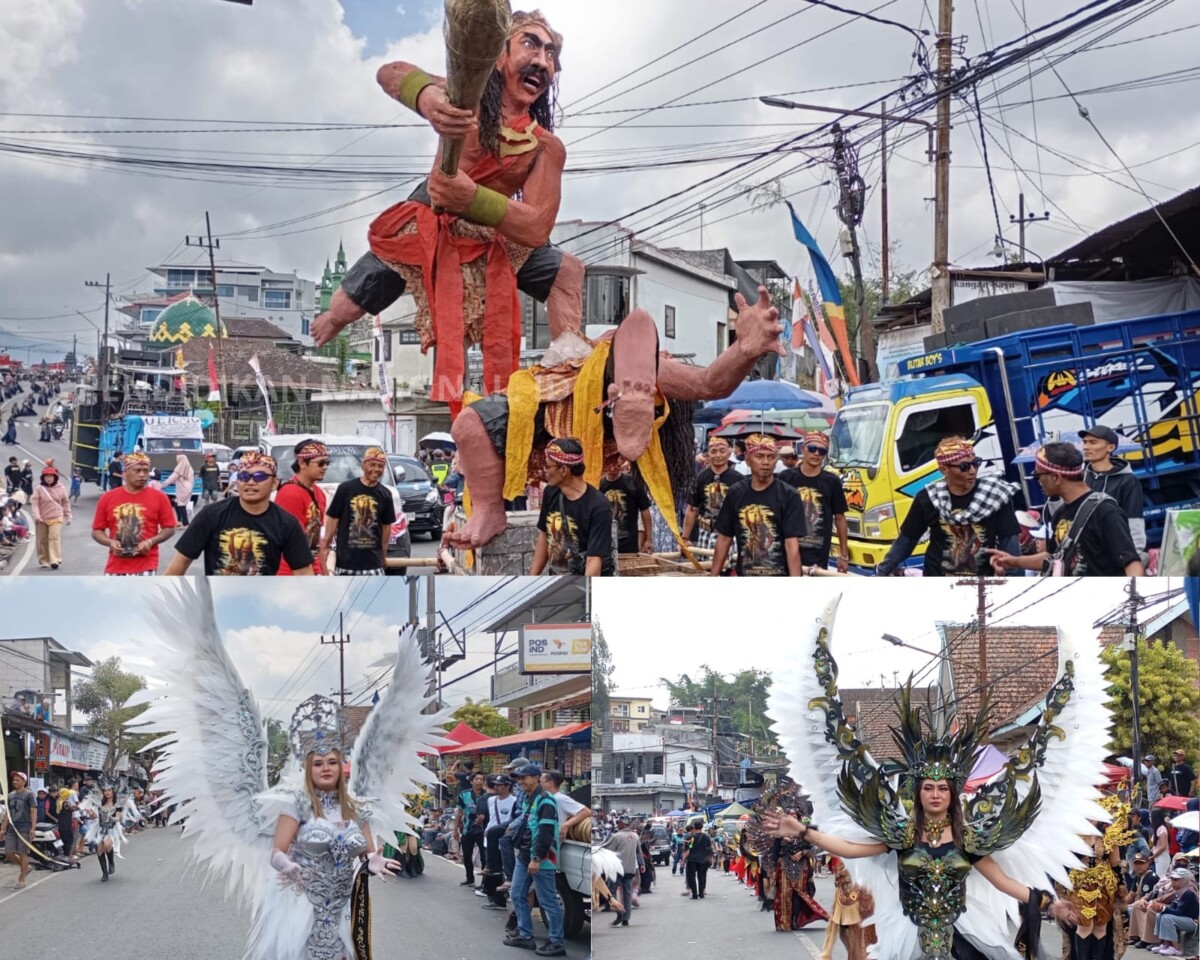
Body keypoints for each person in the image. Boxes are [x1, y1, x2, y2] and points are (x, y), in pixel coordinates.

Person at [764, 607, 1097, 960]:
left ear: (952, 794)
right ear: (919, 792)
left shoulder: (970, 838)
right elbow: (848, 848)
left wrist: (1053, 904)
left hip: (966, 939)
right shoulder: (901, 834)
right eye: (928, 787)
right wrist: (802, 831)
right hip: (909, 942)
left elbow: (1006, 883)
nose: (935, 794)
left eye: (942, 789)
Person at [313, 11, 580, 414]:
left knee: (568, 272)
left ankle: (569, 368)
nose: (542, 60)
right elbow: (390, 71)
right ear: (501, 56)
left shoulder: (546, 147)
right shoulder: (461, 99)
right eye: (530, 44)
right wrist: (429, 99)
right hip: (432, 217)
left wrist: (471, 198)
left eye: (551, 53)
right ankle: (333, 316)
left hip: (497, 233)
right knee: (343, 309)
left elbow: (538, 225)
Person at [988, 443, 1144, 577]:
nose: (1038, 482)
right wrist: (1014, 561)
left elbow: (1131, 562)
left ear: (1056, 477)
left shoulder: (1105, 511)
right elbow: (1053, 557)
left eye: (1038, 475)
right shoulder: (1059, 513)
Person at [877, 437, 1020, 576]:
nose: (972, 471)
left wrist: (1016, 581)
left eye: (975, 463)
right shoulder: (929, 497)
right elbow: (907, 540)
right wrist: (883, 571)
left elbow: (1009, 543)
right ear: (944, 469)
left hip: (980, 582)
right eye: (964, 467)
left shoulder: (995, 495)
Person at [166, 452, 313, 576]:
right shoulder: (211, 515)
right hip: (216, 604)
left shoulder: (286, 523)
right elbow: (180, 563)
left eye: (259, 476)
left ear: (274, 483)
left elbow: (304, 573)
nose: (250, 482)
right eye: (243, 476)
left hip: (264, 605)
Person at [711, 434, 804, 577]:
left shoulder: (789, 495)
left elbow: (791, 544)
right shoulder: (736, 492)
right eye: (759, 456)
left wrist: (795, 585)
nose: (765, 462)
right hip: (745, 577)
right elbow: (724, 538)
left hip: (778, 579)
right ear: (748, 460)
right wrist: (713, 577)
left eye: (771, 457)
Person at [530, 437, 615, 576]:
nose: (545, 471)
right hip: (556, 582)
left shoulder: (599, 506)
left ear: (564, 469)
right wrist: (531, 580)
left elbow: (593, 561)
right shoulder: (550, 492)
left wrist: (584, 596)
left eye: (548, 466)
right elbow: (544, 536)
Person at [507, 762, 566, 956]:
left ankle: (557, 942)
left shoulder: (545, 800)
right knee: (516, 894)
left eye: (524, 777)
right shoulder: (528, 799)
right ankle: (525, 936)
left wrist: (537, 858)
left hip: (541, 859)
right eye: (519, 778)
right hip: (524, 856)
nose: (521, 781)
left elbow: (546, 832)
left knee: (548, 900)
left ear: (535, 778)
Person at [91, 451, 177, 575]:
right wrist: (110, 542)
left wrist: (150, 542)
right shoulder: (107, 498)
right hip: (115, 566)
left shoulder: (160, 498)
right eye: (137, 471)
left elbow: (169, 528)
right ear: (125, 473)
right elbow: (97, 531)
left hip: (146, 565)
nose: (142, 475)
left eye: (146, 471)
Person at [778, 430, 850, 572]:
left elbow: (840, 518)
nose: (816, 453)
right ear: (802, 449)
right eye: (812, 449)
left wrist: (844, 555)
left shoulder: (832, 481)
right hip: (786, 549)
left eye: (822, 451)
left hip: (817, 552)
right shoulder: (785, 477)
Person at [320, 447, 395, 576]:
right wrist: (326, 545)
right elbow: (333, 519)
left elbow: (386, 526)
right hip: (345, 562)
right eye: (372, 465)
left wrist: (383, 554)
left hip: (373, 562)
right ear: (362, 466)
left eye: (380, 466)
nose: (376, 469)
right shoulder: (345, 489)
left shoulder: (386, 494)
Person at [1079, 425, 1146, 559]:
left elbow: (1134, 521)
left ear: (1110, 447)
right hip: (1087, 556)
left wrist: (1134, 558)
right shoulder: (1081, 478)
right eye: (1085, 442)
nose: (1086, 447)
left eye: (1093, 442)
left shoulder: (1128, 481)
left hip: (1114, 556)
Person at [275, 440, 330, 576]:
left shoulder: (319, 494)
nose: (325, 467)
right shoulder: (290, 494)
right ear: (302, 463)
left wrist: (324, 572)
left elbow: (317, 541)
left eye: (327, 463)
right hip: (290, 572)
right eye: (320, 463)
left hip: (312, 569)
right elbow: (291, 542)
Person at [682, 436, 741, 550]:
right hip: (705, 533)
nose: (718, 455)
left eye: (722, 451)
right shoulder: (700, 478)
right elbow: (692, 509)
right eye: (714, 451)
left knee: (730, 567)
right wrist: (685, 537)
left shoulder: (739, 480)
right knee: (704, 567)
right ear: (708, 454)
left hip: (730, 534)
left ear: (729, 454)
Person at [598, 458, 652, 556]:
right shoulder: (598, 486)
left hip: (629, 545)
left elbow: (645, 510)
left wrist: (648, 539)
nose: (612, 466)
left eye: (615, 461)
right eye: (608, 462)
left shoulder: (632, 482)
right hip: (605, 545)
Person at [1150, 869, 1200, 957]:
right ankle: (1166, 944)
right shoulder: (1179, 891)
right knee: (1160, 915)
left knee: (1167, 918)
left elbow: (1180, 912)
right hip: (1184, 918)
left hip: (1193, 922)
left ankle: (1176, 948)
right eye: (1172, 879)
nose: (1172, 882)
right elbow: (1173, 907)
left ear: (1184, 880)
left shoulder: (1188, 893)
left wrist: (1164, 908)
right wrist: (1160, 908)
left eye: (1176, 880)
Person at [30, 464, 71, 570]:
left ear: (55, 477)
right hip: (42, 518)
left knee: (54, 537)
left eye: (51, 476)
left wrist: (68, 515)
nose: (49, 478)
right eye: (46, 476)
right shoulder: (39, 489)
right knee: (42, 540)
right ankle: (43, 560)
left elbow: (66, 503)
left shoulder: (61, 488)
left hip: (56, 516)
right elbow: (35, 504)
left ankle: (54, 560)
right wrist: (37, 516)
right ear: (43, 478)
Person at [602, 814, 640, 927]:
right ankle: (626, 919)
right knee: (627, 895)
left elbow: (608, 850)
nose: (617, 824)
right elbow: (639, 852)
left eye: (618, 823)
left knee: (609, 892)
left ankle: (619, 914)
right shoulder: (635, 836)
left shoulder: (616, 836)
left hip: (617, 869)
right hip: (630, 869)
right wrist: (641, 864)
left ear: (623, 824)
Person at [1, 769, 36, 889]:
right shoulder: (10, 795)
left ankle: (21, 878)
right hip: (12, 827)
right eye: (14, 780)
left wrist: (33, 827)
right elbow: (8, 812)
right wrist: (3, 828)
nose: (14, 781)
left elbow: (33, 811)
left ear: (24, 781)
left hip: (25, 826)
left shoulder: (29, 794)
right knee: (8, 852)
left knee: (23, 853)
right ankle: (26, 867)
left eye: (17, 780)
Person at [84, 784, 126, 881]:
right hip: (100, 828)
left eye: (109, 790)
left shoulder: (118, 804)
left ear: (113, 792)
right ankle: (104, 873)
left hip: (112, 829)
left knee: (107, 845)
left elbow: (119, 817)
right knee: (99, 849)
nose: (107, 792)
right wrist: (91, 814)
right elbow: (95, 817)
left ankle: (111, 862)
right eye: (105, 790)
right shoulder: (100, 804)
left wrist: (115, 818)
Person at [455, 771, 488, 888]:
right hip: (468, 829)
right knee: (467, 855)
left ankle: (485, 882)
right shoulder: (464, 794)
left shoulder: (488, 795)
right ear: (471, 781)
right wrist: (455, 830)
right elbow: (459, 812)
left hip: (484, 831)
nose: (479, 781)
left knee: (485, 857)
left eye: (481, 779)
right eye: (477, 779)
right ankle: (470, 878)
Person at [540, 769, 589, 836]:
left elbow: (586, 811)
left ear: (550, 783)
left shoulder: (560, 798)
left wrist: (566, 825)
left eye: (540, 782)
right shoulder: (544, 798)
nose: (538, 784)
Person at [682, 819, 714, 899]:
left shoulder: (691, 837)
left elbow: (688, 849)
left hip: (692, 859)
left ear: (694, 827)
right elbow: (709, 848)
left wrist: (683, 860)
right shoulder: (706, 837)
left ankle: (694, 894)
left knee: (691, 877)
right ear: (702, 827)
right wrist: (710, 858)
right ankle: (701, 893)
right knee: (701, 876)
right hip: (702, 859)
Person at [163, 453, 195, 527]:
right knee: (177, 504)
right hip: (188, 488)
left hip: (182, 489)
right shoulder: (189, 468)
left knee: (181, 505)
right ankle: (179, 521)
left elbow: (171, 478)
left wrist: (162, 485)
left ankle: (185, 523)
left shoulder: (179, 469)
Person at [55, 786, 76, 865]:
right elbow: (73, 808)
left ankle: (64, 856)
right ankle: (66, 856)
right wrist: (81, 805)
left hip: (61, 824)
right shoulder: (66, 803)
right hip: (66, 824)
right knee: (69, 839)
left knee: (63, 840)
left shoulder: (59, 801)